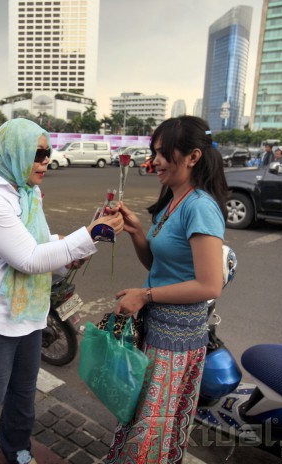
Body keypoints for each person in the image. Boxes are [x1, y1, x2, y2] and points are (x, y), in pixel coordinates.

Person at [0, 119, 124, 464]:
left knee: (23, 391)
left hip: (28, 312)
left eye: (48, 153)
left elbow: (41, 244)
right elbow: (29, 258)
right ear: (14, 154)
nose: (46, 161)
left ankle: (16, 447)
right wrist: (89, 235)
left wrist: (70, 255)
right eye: (38, 154)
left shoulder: (28, 194)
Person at [106, 116, 227, 463]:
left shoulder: (200, 206)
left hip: (176, 340)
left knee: (153, 427)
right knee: (142, 419)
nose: (155, 161)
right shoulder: (174, 200)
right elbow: (160, 267)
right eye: (153, 153)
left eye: (163, 153)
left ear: (193, 156)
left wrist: (144, 295)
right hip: (157, 330)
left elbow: (209, 284)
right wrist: (136, 232)